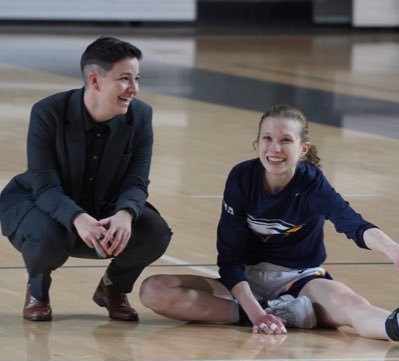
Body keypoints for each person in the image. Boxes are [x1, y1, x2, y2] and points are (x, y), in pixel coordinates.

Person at [139, 104, 399, 341]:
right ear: (257, 143)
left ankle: (394, 325)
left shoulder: (312, 184)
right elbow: (229, 259)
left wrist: (392, 249)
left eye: (286, 140)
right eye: (268, 139)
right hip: (245, 282)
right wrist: (255, 314)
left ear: (303, 149)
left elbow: (352, 223)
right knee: (154, 290)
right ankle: (284, 315)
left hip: (301, 282)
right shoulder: (242, 178)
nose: (275, 149)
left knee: (354, 306)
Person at [0, 37, 172, 322]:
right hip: (43, 204)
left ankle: (112, 289)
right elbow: (43, 185)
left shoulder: (141, 116)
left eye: (137, 78)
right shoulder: (48, 112)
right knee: (47, 236)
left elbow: (137, 179)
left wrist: (125, 214)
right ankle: (38, 291)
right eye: (124, 79)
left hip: (104, 204)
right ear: (95, 80)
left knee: (155, 233)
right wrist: (78, 218)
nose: (134, 89)